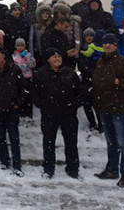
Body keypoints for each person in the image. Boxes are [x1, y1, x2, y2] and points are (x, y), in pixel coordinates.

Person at [92, 33, 124, 187]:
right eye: (105, 43)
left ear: (115, 45)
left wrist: (120, 82)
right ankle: (112, 169)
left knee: (123, 142)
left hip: (118, 107)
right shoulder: (100, 62)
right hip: (103, 106)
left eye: (110, 43)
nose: (107, 46)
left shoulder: (123, 62)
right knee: (111, 141)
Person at [31, 48, 81, 179]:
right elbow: (34, 93)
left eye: (59, 56)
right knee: (48, 142)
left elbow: (80, 92)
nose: (57, 59)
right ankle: (48, 168)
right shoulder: (40, 74)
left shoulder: (70, 73)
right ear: (48, 59)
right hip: (49, 113)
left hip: (68, 114)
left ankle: (73, 169)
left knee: (71, 142)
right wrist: (42, 104)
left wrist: (74, 105)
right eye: (54, 57)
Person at [0, 47, 25, 176]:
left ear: (3, 55)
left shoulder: (14, 69)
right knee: (0, 137)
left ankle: (17, 164)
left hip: (11, 108)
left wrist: (17, 104)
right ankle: (4, 161)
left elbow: (22, 88)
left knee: (14, 137)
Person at [78, 28, 104, 134]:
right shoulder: (82, 49)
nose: (89, 38)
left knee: (97, 103)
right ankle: (92, 123)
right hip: (86, 79)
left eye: (91, 36)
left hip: (96, 79)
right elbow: (81, 65)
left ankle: (101, 124)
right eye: (87, 36)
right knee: (86, 103)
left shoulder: (98, 48)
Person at [12, 38, 36, 119]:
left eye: (22, 45)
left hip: (27, 77)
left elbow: (32, 64)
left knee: (28, 96)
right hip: (18, 78)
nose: (20, 47)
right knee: (19, 96)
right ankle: (20, 113)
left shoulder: (28, 55)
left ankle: (28, 114)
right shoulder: (14, 56)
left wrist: (27, 58)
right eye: (18, 45)